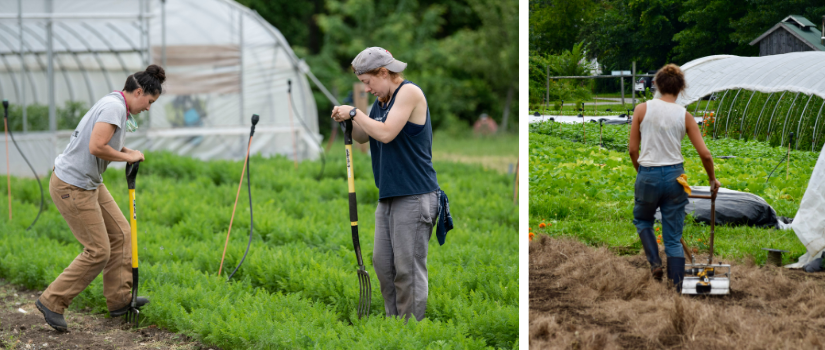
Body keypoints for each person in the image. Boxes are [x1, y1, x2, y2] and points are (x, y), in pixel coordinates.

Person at [36, 65, 165, 331]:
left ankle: (119, 301)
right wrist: (127, 156)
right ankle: (52, 301)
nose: (149, 108)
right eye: (150, 102)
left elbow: (104, 143)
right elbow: (97, 146)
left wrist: (127, 150)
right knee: (98, 251)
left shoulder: (117, 103)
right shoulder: (114, 107)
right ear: (139, 92)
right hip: (72, 185)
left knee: (121, 233)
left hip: (90, 182)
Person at [331, 47, 452, 321]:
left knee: (407, 269)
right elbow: (365, 136)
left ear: (384, 73)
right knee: (383, 265)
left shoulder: (409, 93)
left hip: (415, 195)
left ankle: (409, 331)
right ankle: (393, 325)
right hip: (388, 195)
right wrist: (347, 120)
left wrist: (354, 113)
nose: (367, 89)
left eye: (368, 82)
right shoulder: (382, 102)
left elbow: (385, 133)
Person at [628, 63, 721, 291]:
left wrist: (642, 173)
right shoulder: (685, 115)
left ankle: (655, 264)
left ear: (657, 85)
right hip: (675, 178)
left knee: (642, 220)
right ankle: (677, 288)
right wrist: (712, 179)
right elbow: (705, 154)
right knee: (673, 237)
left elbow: (632, 150)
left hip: (647, 173)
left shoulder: (642, 109)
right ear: (681, 89)